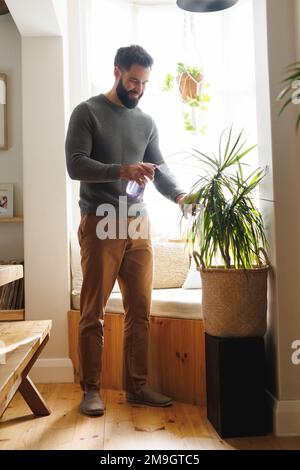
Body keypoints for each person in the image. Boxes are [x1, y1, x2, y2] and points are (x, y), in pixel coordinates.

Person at [65, 45, 186, 416]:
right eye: (134, 80)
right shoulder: (87, 112)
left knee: (140, 311)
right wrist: (123, 170)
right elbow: (76, 165)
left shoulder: (146, 122)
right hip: (100, 220)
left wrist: (180, 195)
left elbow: (159, 167)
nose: (139, 89)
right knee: (93, 312)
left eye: (145, 83)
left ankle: (137, 386)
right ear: (116, 72)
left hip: (138, 222)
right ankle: (91, 390)